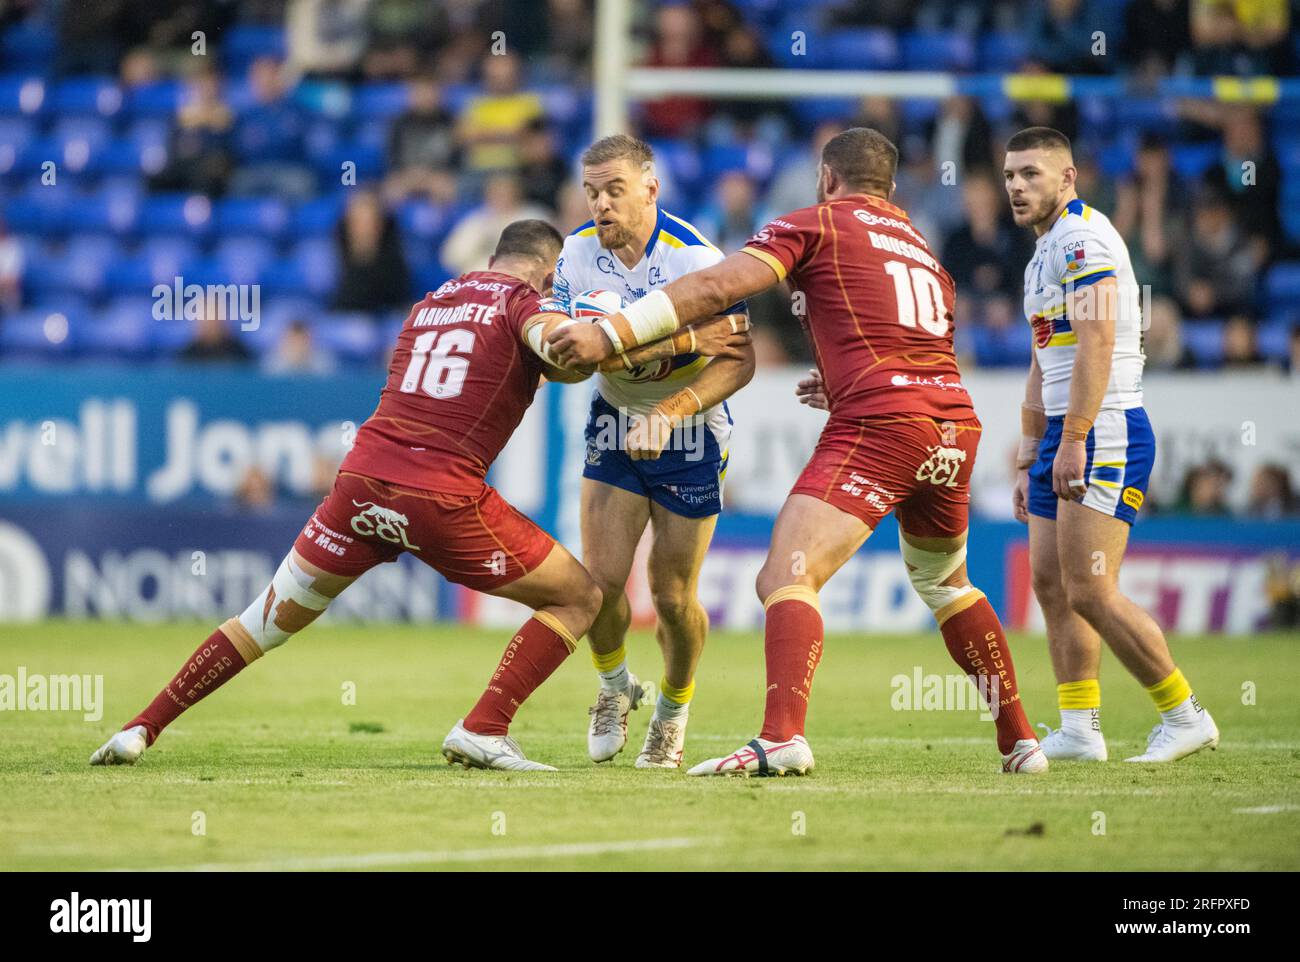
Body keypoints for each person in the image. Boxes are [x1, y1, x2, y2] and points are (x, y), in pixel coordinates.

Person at [549, 128, 1046, 776]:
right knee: (946, 583)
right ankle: (1021, 741)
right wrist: (843, 382)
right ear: (889, 190)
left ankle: (781, 736)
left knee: (785, 575)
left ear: (826, 179)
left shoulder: (816, 223)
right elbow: (916, 346)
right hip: (952, 426)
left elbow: (717, 288)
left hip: (882, 425)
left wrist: (614, 330)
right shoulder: (924, 250)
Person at [92, 221, 608, 772]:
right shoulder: (523, 302)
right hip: (440, 494)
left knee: (261, 621)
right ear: (550, 272)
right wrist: (606, 331)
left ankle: (140, 728)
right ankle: (484, 726)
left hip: (361, 482)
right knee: (579, 597)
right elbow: (557, 346)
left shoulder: (430, 302)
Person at [1003, 126, 1218, 763]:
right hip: (1064, 435)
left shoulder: (1083, 238)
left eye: (1031, 174)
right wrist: (1028, 452)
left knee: (1092, 588)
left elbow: (1096, 341)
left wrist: (1071, 438)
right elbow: (1045, 358)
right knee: (1050, 582)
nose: (1016, 186)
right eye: (1011, 175)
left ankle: (1184, 713)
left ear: (1068, 178)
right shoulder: (1044, 251)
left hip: (1103, 426)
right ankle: (1079, 728)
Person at [550, 134, 755, 769]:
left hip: (690, 431)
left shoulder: (695, 257)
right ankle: (614, 690)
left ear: (651, 189)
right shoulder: (576, 254)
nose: (600, 205)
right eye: (591, 192)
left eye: (614, 190)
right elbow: (563, 365)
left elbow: (739, 359)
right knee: (600, 586)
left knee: (670, 596)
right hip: (614, 423)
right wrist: (589, 354)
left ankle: (673, 709)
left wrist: (669, 411)